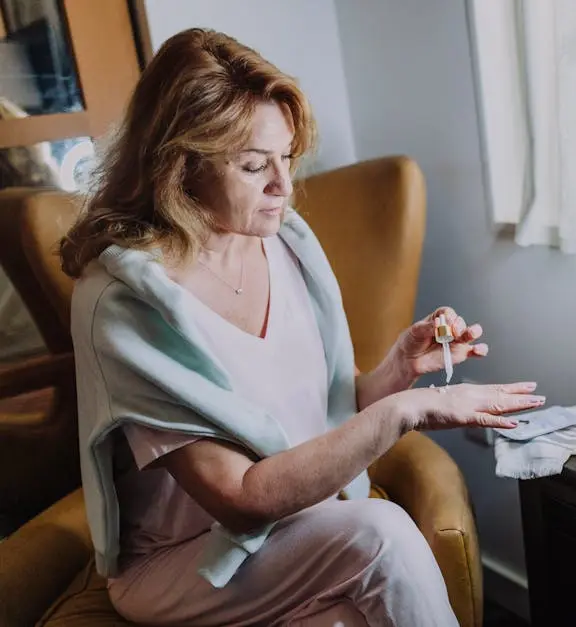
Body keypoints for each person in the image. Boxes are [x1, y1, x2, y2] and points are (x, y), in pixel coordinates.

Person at [59, 28, 544, 627]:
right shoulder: (124, 303)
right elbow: (240, 499)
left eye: (286, 158)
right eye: (253, 165)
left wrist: (398, 372)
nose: (284, 187)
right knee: (383, 533)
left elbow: (328, 411)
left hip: (295, 529)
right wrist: (407, 411)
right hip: (185, 563)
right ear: (179, 166)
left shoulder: (288, 246)